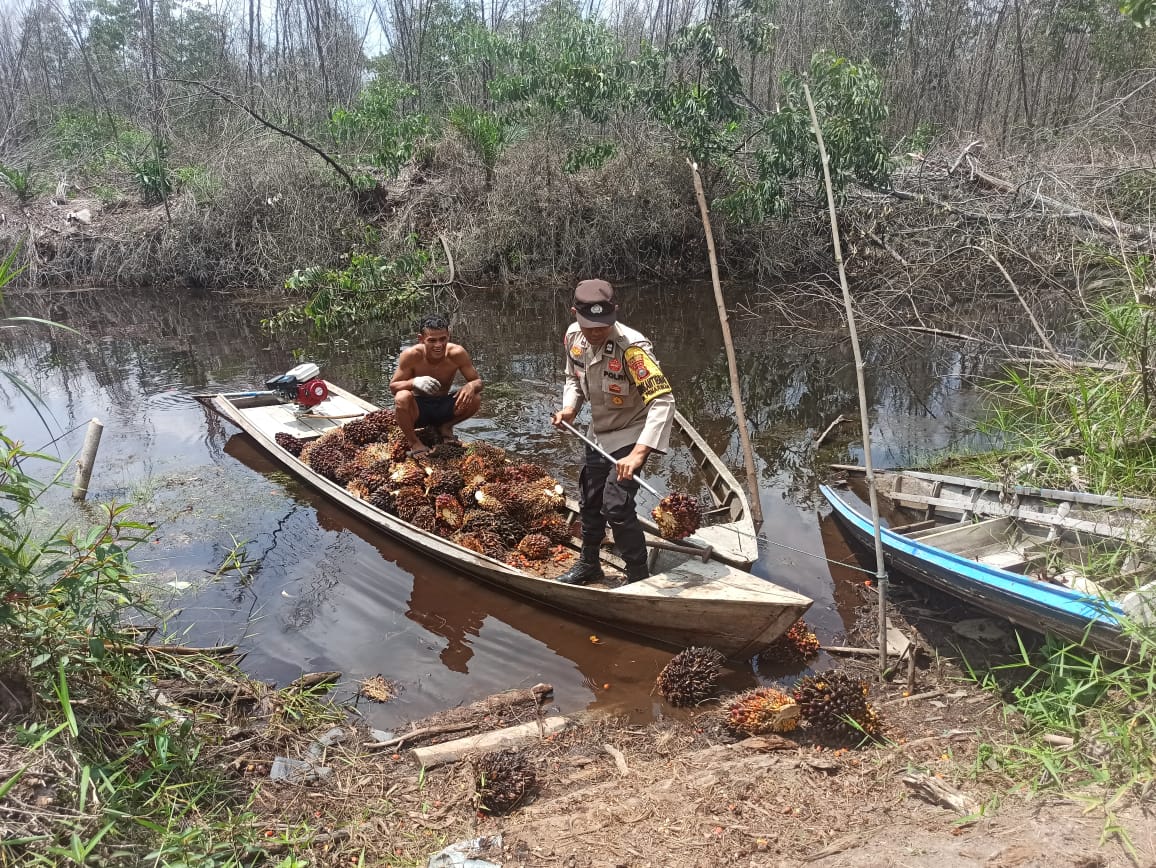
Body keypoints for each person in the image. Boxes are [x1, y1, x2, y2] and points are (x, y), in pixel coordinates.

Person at [550, 279, 675, 585]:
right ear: (575, 314)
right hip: (598, 434)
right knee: (590, 500)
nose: (595, 333)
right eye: (589, 326)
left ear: (614, 313)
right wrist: (570, 408)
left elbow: (663, 401)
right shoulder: (572, 338)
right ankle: (589, 563)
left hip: (632, 433)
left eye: (602, 326)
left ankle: (637, 575)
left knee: (616, 506)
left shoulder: (633, 348)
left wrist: (638, 454)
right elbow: (572, 378)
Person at [391, 313, 483, 456]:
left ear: (448, 336)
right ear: (421, 339)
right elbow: (393, 387)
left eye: (442, 339)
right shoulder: (411, 355)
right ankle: (414, 442)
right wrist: (414, 382)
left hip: (443, 406)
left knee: (475, 397)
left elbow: (478, 382)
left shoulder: (457, 353)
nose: (438, 345)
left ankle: (446, 427)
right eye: (432, 340)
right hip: (418, 410)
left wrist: (470, 386)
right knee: (402, 397)